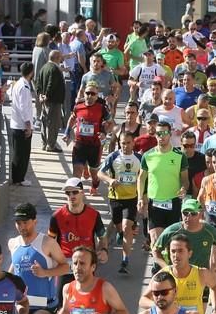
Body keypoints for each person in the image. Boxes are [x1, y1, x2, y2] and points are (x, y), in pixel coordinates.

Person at [9, 203, 70, 314]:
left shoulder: (48, 243)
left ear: (35, 221)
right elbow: (15, 266)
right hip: (22, 305)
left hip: (45, 306)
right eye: (18, 223)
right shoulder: (13, 243)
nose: (22, 226)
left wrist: (45, 273)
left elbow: (66, 267)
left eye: (25, 222)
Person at [48, 178, 107, 288]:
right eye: (68, 193)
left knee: (85, 301)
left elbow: (102, 238)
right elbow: (50, 241)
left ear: (82, 193)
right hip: (64, 266)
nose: (71, 196)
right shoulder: (57, 216)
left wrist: (103, 250)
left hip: (86, 265)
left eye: (75, 192)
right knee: (63, 301)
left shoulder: (94, 215)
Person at [138, 121, 190, 244]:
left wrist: (184, 188)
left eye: (165, 133)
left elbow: (185, 180)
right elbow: (141, 178)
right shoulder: (148, 155)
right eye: (159, 133)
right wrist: (140, 198)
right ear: (155, 135)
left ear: (170, 134)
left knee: (171, 241)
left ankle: (166, 263)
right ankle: (157, 264)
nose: (162, 136)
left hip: (173, 202)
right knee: (156, 241)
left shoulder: (180, 156)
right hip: (154, 202)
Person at [98, 133, 142, 273]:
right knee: (119, 227)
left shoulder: (139, 159)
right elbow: (100, 173)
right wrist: (110, 180)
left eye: (128, 143)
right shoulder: (113, 156)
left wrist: (143, 197)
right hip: (115, 198)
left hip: (131, 198)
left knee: (126, 227)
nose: (125, 146)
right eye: (123, 143)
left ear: (133, 143)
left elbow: (145, 177)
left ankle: (125, 260)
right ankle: (119, 233)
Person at [63, 81, 113, 192]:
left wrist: (105, 133)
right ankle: (76, 193)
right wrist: (67, 132)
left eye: (93, 94)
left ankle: (95, 184)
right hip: (79, 144)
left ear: (97, 96)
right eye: (87, 93)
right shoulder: (78, 106)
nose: (89, 96)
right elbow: (72, 118)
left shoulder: (101, 108)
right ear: (83, 93)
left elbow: (111, 123)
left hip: (94, 146)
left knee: (94, 174)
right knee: (76, 173)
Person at [35, 50, 67, 152]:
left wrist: (40, 95)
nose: (61, 58)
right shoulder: (54, 69)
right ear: (56, 57)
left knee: (45, 122)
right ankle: (51, 145)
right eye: (60, 56)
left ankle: (44, 143)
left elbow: (38, 83)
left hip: (45, 100)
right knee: (53, 123)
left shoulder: (44, 68)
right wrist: (46, 96)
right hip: (53, 100)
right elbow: (51, 83)